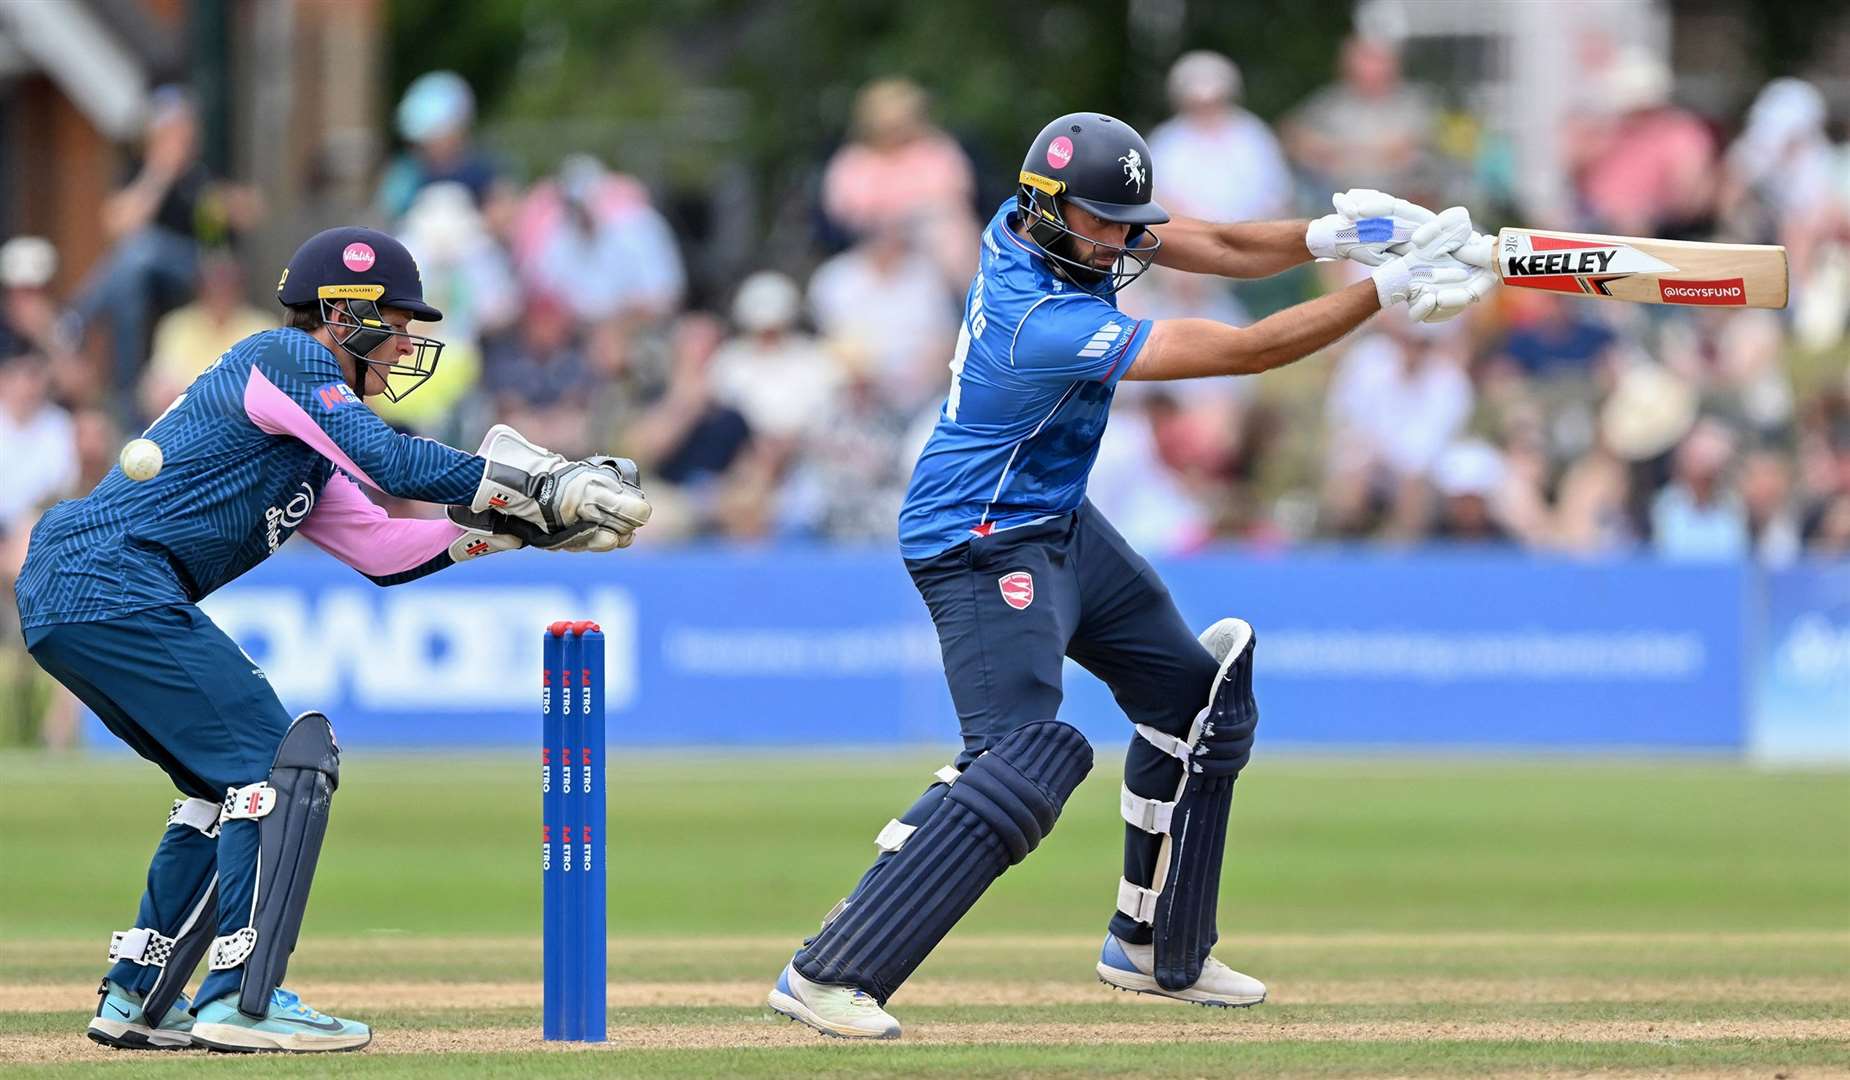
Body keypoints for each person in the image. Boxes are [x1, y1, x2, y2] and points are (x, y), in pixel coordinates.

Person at [766, 111, 1495, 1039]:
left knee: (1199, 702)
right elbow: (1245, 352)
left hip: (1056, 521)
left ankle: (1157, 949)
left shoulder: (1052, 226)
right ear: (1050, 212)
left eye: (1126, 219)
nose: (1123, 239)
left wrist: (1338, 236)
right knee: (1025, 757)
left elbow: (1221, 242)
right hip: (978, 542)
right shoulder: (1042, 320)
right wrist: (1383, 292)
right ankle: (830, 970)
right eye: (1107, 224)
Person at [15, 227, 652, 1053]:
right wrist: (545, 482)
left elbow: (382, 551)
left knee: (223, 787)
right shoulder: (285, 357)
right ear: (344, 315)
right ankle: (243, 1002)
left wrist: (510, 530)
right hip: (110, 581)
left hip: (83, 591)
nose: (405, 344)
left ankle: (140, 996)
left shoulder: (309, 451)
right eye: (395, 320)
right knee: (279, 761)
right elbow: (392, 461)